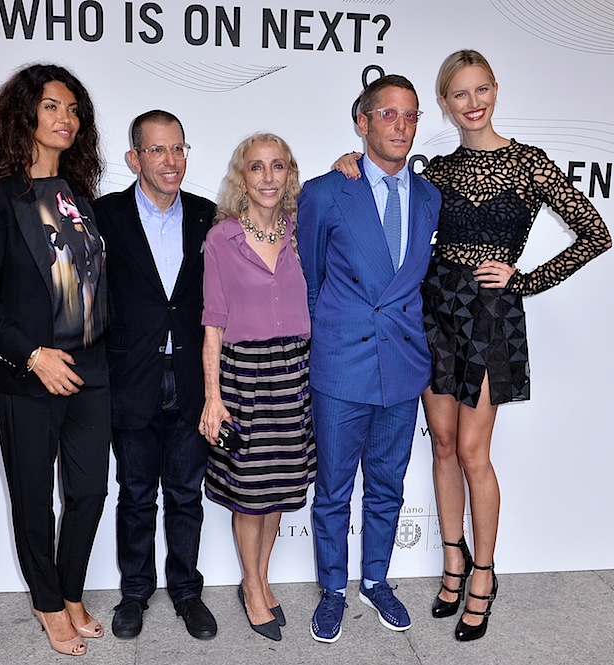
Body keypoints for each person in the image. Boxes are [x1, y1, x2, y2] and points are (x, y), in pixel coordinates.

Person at [334, 50, 612, 641]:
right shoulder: (435, 170)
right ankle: (452, 564)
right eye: (459, 94)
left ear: (495, 90)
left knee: (471, 451)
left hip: (489, 317)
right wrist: (349, 163)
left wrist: (525, 280)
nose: (473, 103)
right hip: (434, 314)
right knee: (441, 444)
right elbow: (385, 184)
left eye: (481, 89)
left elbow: (596, 233)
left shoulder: (530, 163)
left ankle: (483, 575)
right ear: (445, 103)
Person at [0, 64, 109, 656]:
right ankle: (49, 602)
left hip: (90, 369)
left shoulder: (79, 197)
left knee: (90, 492)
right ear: (25, 116)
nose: (66, 118)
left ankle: (70, 589)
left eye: (73, 109)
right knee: (34, 497)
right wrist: (33, 355)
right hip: (30, 374)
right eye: (51, 107)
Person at [297, 75, 441, 643]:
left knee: (387, 485)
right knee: (333, 489)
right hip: (341, 365)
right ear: (362, 122)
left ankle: (375, 579)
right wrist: (330, 341)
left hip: (402, 365)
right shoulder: (326, 192)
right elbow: (311, 280)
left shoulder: (429, 197)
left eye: (411, 115)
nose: (401, 126)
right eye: (388, 114)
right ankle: (333, 588)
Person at [93, 111, 217, 641]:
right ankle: (135, 593)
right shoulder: (103, 216)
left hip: (191, 376)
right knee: (137, 493)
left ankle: (187, 591)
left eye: (178, 149)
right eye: (157, 150)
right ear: (134, 158)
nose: (171, 161)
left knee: (187, 493)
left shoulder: (209, 216)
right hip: (130, 375)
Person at [199, 133, 315, 643]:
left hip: (294, 373)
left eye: (278, 166)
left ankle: (263, 578)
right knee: (250, 494)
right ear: (241, 177)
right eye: (257, 167)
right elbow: (213, 324)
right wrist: (213, 397)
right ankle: (251, 586)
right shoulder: (221, 239)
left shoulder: (300, 232)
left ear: (289, 174)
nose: (268, 177)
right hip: (244, 375)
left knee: (278, 490)